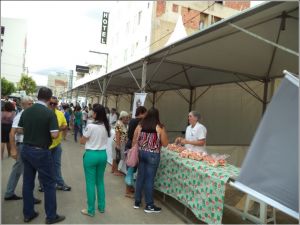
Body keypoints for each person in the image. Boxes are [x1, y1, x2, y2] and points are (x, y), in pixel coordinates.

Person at [18, 87, 65, 224]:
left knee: (27, 182)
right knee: (49, 183)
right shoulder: (50, 113)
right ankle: (51, 216)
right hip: (41, 151)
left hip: (26, 149)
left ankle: (28, 213)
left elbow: (20, 130)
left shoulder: (26, 111)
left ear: (38, 96)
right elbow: (55, 134)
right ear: (50, 99)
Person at [4, 96, 41, 204]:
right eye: (29, 104)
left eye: (32, 103)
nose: (31, 105)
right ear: (22, 105)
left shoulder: (28, 115)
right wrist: (13, 149)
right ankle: (25, 197)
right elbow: (12, 132)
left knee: (20, 170)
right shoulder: (20, 116)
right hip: (23, 145)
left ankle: (10, 193)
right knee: (27, 172)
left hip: (27, 145)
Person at [133, 107, 168, 213]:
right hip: (153, 155)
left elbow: (134, 140)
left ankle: (137, 202)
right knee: (149, 179)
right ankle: (149, 205)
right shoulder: (159, 127)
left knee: (140, 177)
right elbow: (165, 143)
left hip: (141, 153)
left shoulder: (140, 125)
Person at [80, 104, 110, 217]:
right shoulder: (106, 126)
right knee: (100, 182)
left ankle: (91, 210)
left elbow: (82, 141)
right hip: (103, 155)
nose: (92, 113)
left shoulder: (91, 126)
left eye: (93, 112)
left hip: (91, 155)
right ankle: (101, 207)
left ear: (96, 114)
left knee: (90, 183)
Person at [39, 96, 71, 192]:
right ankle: (42, 185)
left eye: (55, 104)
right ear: (48, 102)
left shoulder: (60, 114)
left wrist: (57, 129)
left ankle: (60, 184)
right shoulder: (42, 113)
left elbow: (65, 125)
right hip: (45, 145)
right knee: (44, 166)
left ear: (57, 104)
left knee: (57, 165)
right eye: (51, 103)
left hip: (57, 145)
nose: (53, 105)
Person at [124, 106, 147, 198]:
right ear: (141, 112)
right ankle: (127, 191)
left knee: (130, 168)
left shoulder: (132, 120)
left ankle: (130, 188)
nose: (146, 115)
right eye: (145, 113)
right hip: (134, 146)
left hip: (130, 144)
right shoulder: (139, 122)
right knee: (131, 168)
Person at [112, 111, 129, 176]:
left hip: (119, 142)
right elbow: (117, 134)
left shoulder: (123, 124)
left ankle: (113, 169)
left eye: (128, 118)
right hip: (118, 142)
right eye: (126, 118)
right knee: (117, 157)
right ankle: (116, 171)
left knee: (115, 156)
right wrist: (118, 144)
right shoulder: (119, 124)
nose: (127, 119)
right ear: (122, 117)